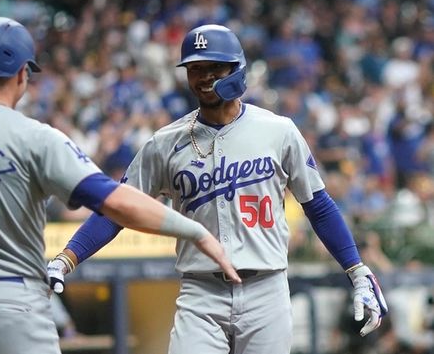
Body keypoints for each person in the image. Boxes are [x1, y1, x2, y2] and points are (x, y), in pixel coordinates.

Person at [47, 24, 388, 354]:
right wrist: (66, 259)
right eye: (195, 69)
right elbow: (118, 208)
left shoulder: (278, 131)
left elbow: (319, 205)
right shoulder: (165, 143)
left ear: (237, 69)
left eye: (215, 67)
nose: (204, 76)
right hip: (201, 291)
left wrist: (357, 270)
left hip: (265, 289)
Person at [0, 17, 239, 354]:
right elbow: (112, 201)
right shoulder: (35, 137)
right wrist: (194, 230)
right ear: (22, 75)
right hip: (10, 303)